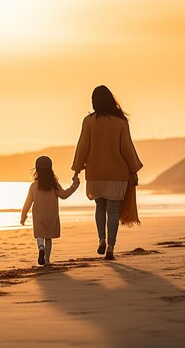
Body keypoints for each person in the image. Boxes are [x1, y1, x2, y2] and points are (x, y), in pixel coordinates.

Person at [72, 85, 143, 260]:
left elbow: (83, 146)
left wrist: (77, 168)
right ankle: (111, 246)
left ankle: (101, 239)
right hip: (117, 173)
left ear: (94, 102)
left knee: (100, 207)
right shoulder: (120, 122)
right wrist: (133, 170)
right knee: (112, 210)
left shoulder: (88, 121)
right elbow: (127, 148)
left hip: (95, 172)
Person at [21, 156, 80, 265]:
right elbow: (64, 195)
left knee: (40, 235)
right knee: (48, 238)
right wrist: (75, 185)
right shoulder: (54, 185)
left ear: (37, 170)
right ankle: (47, 260)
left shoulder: (34, 186)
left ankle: (41, 248)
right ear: (50, 169)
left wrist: (23, 215)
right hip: (51, 216)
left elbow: (28, 203)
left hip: (39, 216)